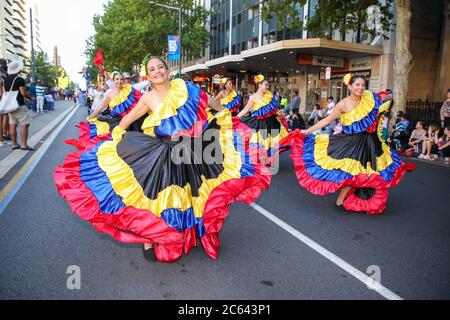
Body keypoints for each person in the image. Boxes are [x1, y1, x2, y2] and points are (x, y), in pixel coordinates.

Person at [54, 56, 271, 263]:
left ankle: (186, 233)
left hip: (192, 151)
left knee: (189, 197)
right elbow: (127, 119)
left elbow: (213, 105)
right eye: (152, 70)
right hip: (164, 152)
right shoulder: (147, 97)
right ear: (148, 76)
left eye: (160, 67)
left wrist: (230, 119)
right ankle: (149, 239)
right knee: (154, 197)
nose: (157, 72)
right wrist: (114, 138)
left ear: (167, 71)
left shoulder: (188, 88)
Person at [288, 73, 415, 215]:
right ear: (350, 86)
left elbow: (383, 97)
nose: (360, 88)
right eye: (357, 85)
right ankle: (340, 201)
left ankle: (354, 198)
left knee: (366, 171)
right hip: (353, 142)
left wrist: (390, 97)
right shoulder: (343, 104)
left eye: (362, 85)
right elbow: (326, 120)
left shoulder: (369, 97)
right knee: (352, 172)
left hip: (371, 142)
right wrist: (307, 131)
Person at [69, 72, 144, 151]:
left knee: (138, 142)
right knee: (122, 145)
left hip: (135, 120)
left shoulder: (129, 88)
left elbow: (141, 99)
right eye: (117, 79)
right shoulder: (110, 94)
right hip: (120, 123)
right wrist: (91, 117)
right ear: (113, 80)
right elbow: (101, 106)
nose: (119, 81)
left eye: (121, 79)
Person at [237, 75, 290, 165]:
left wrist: (281, 117)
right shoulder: (253, 98)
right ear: (260, 85)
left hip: (272, 122)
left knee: (274, 143)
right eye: (266, 85)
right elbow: (245, 110)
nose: (267, 87)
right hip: (260, 124)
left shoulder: (269, 95)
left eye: (268, 85)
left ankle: (268, 159)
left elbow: (275, 110)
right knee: (261, 143)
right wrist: (236, 118)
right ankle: (262, 160)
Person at [0, 61, 34, 151]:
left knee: (12, 125)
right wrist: (30, 98)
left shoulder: (5, 80)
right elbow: (23, 93)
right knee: (24, 124)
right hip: (19, 105)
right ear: (17, 69)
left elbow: (3, 93)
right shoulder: (19, 79)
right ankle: (24, 144)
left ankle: (14, 144)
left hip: (9, 106)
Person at [0, 58, 11, 147]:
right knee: (4, 118)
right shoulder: (3, 76)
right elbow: (2, 90)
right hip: (2, 98)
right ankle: (2, 138)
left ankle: (4, 136)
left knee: (4, 118)